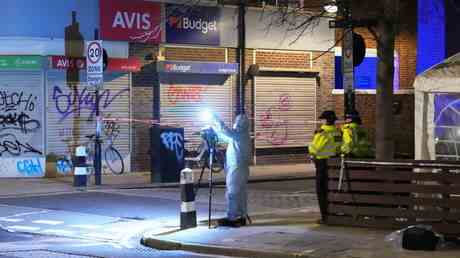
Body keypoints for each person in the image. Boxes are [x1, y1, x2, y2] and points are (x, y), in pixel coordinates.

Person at [212, 113, 251, 227]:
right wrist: (215, 128)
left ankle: (233, 217)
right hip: (239, 168)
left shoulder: (240, 134)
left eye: (237, 122)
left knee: (232, 193)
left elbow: (227, 132)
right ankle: (241, 216)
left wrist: (218, 120)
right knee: (241, 193)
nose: (235, 123)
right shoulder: (240, 136)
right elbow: (225, 136)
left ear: (239, 124)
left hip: (237, 168)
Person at [308, 110, 341, 222]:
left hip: (322, 164)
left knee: (321, 191)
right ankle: (333, 213)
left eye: (321, 119)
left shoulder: (322, 132)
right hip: (334, 163)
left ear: (325, 120)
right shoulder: (337, 132)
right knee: (331, 189)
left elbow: (315, 148)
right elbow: (339, 147)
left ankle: (325, 216)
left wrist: (311, 147)